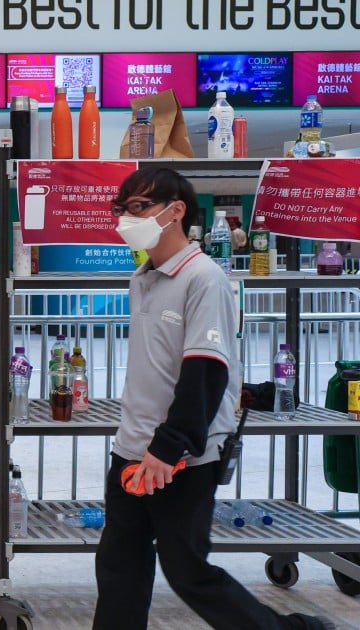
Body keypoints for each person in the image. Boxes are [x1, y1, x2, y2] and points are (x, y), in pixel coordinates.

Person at [94, 168, 334, 630]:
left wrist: (170, 444)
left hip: (180, 458)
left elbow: (205, 368)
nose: (126, 219)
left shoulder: (203, 278)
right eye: (121, 209)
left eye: (139, 208)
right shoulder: (144, 276)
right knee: (119, 566)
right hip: (131, 449)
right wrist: (142, 442)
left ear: (176, 210)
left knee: (189, 573)